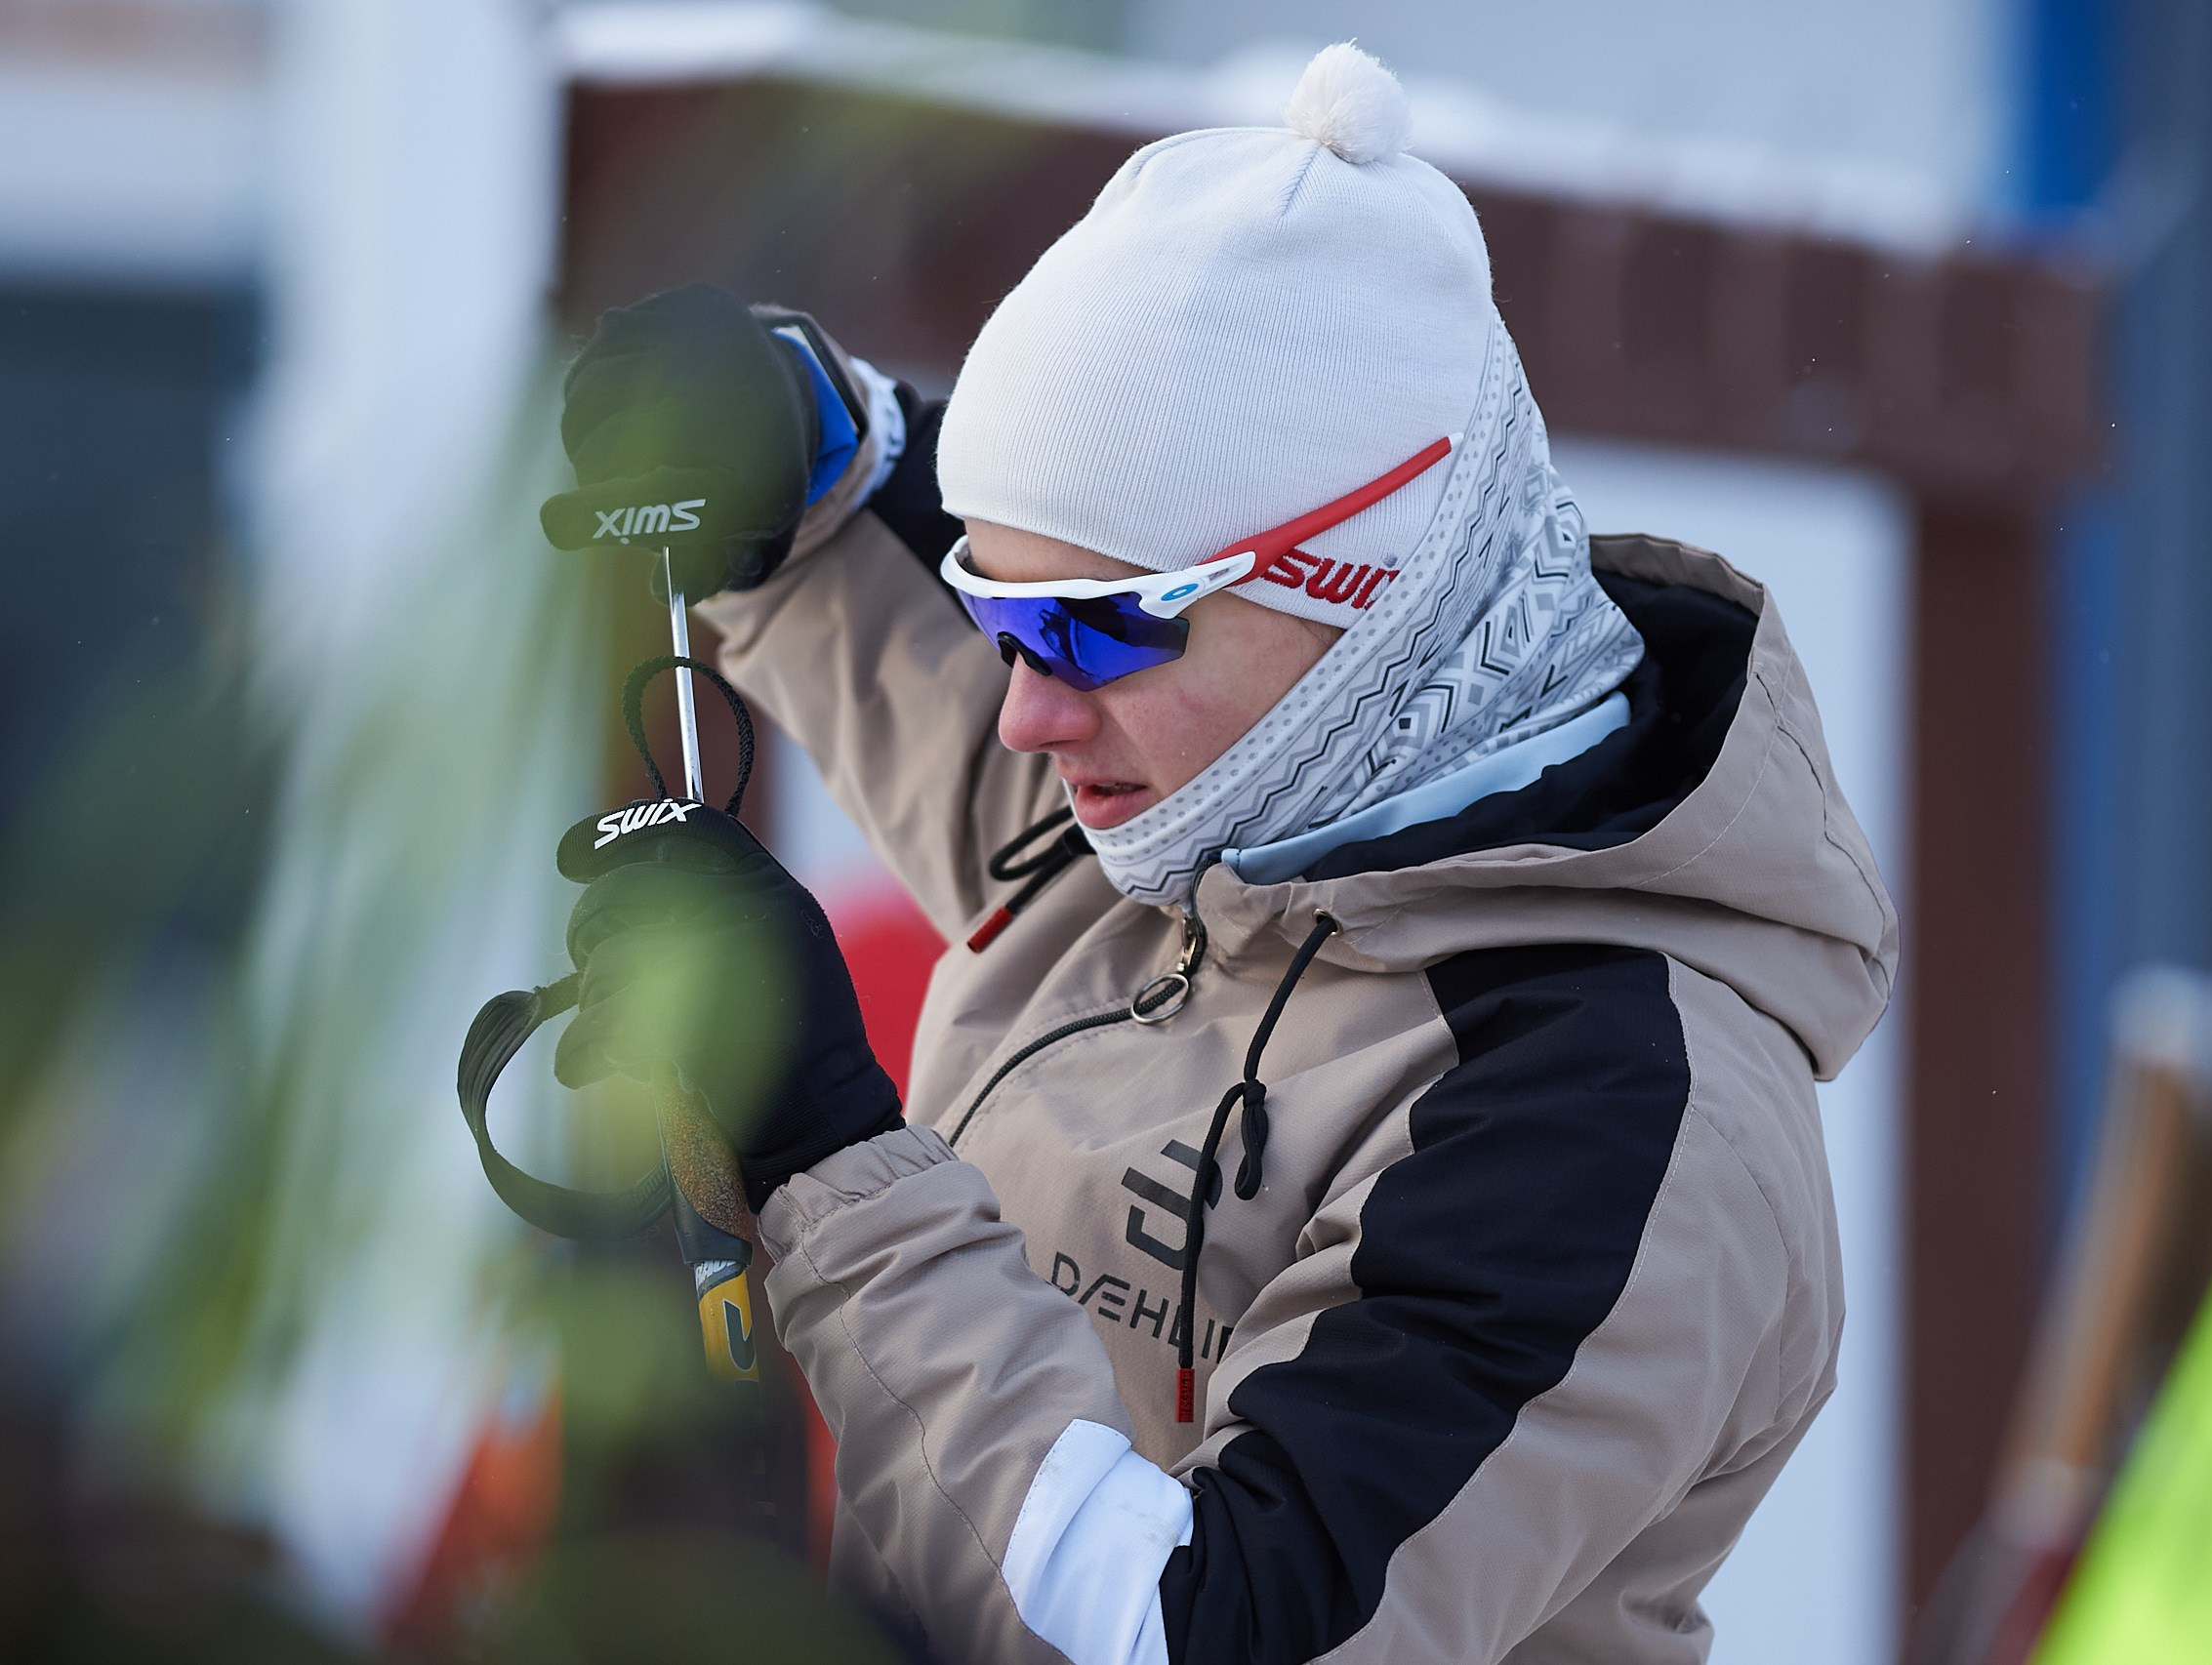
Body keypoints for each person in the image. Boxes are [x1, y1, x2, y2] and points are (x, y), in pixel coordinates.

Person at [539, 43, 1896, 1665]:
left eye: (1091, 629)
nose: (1025, 710)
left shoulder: (1618, 1110)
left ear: (1365, 595)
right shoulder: (1216, 810)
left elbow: (1203, 1630)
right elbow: (983, 598)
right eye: (995, 614)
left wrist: (828, 1154)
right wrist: (812, 457)